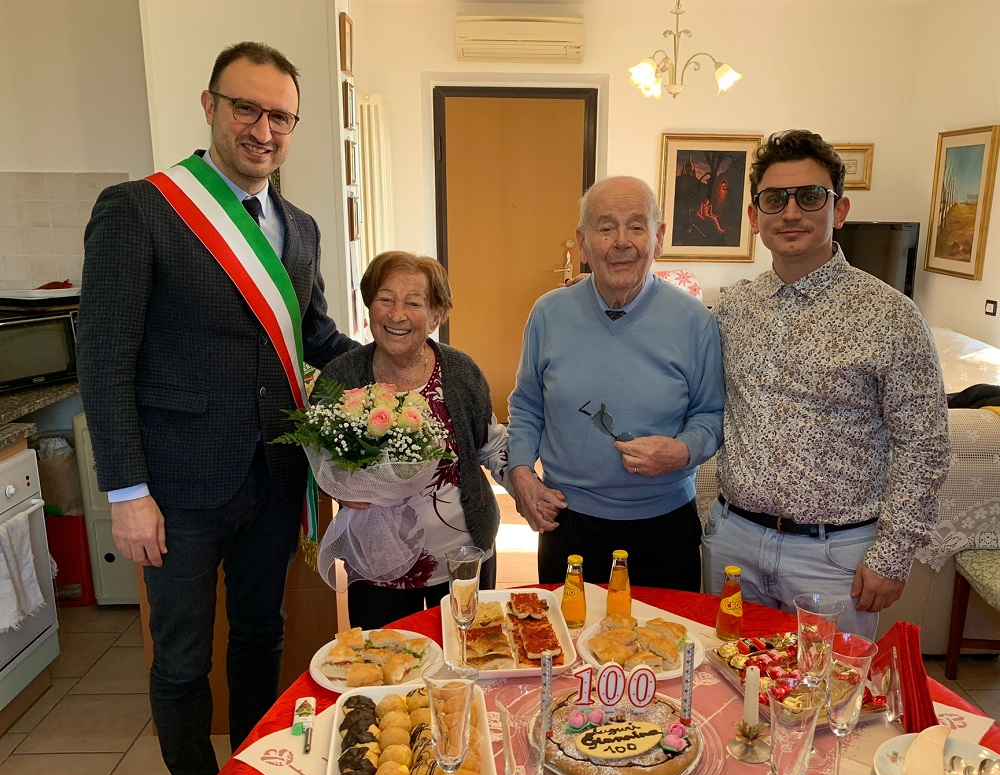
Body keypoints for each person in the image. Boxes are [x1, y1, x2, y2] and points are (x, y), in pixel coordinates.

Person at [76, 42, 357, 775]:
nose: (263, 130)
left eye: (281, 117)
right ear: (210, 107)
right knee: (181, 658)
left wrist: (403, 365)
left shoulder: (300, 227)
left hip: (274, 477)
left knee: (262, 635)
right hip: (176, 488)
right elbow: (104, 360)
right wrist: (126, 492)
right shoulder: (140, 209)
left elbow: (314, 338)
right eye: (247, 109)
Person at [702, 129, 951, 637]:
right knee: (723, 678)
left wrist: (892, 556)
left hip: (835, 558)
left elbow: (924, 446)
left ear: (839, 210)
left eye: (811, 196)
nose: (791, 212)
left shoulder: (891, 316)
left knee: (828, 687)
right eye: (775, 199)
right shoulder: (731, 309)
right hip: (733, 544)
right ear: (754, 216)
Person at [507, 175, 725, 589]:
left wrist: (682, 451)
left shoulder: (695, 321)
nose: (621, 242)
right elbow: (527, 405)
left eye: (637, 226)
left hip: (665, 526)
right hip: (568, 522)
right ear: (583, 241)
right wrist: (520, 473)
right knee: (568, 631)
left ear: (658, 239)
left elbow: (711, 414)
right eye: (606, 228)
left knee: (665, 632)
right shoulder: (548, 314)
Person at [319, 251, 510, 628]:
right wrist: (334, 487)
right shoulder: (341, 377)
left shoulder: (460, 372)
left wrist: (527, 486)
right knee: (386, 657)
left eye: (413, 303)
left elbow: (490, 444)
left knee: (464, 653)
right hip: (376, 560)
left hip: (461, 555)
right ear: (369, 306)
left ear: (436, 316)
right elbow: (318, 457)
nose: (396, 315)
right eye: (385, 299)